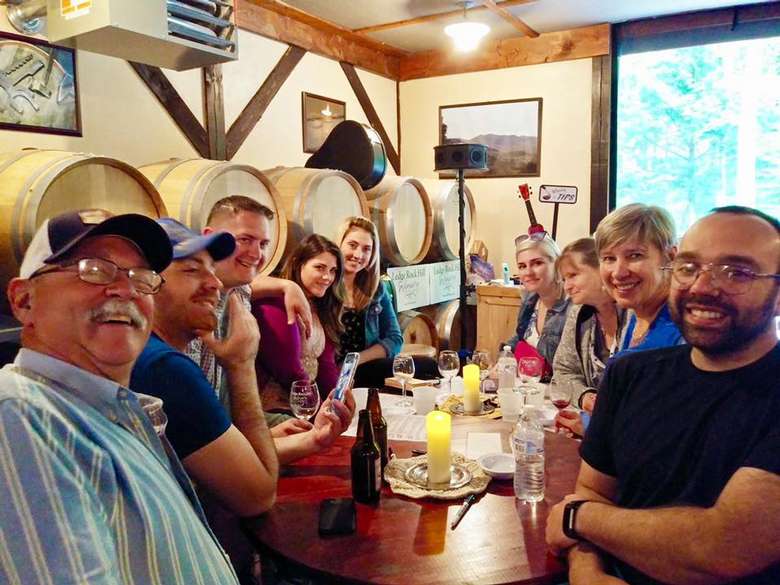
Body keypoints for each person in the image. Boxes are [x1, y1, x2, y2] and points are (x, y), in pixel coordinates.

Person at [1, 209, 239, 584]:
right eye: (93, 269)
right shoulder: (20, 417)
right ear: (24, 301)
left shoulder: (107, 409)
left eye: (142, 277)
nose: (126, 289)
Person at [546, 206, 780, 585]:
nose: (702, 287)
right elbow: (592, 490)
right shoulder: (628, 375)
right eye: (689, 268)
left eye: (737, 272)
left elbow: (724, 548)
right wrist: (587, 571)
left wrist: (577, 519)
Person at [131, 219, 354, 584]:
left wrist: (314, 439)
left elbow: (220, 461)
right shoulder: (165, 368)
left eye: (211, 270)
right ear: (145, 284)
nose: (214, 283)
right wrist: (241, 363)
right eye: (191, 270)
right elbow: (256, 493)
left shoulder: (159, 352)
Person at [187, 195, 311, 430]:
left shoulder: (239, 290)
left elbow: (249, 284)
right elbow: (194, 423)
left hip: (228, 421)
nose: (256, 254)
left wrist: (288, 285)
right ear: (208, 238)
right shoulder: (192, 308)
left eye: (263, 244)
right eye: (245, 239)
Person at [254, 234, 345, 411]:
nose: (328, 277)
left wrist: (336, 401)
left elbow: (326, 365)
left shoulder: (318, 306)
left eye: (333, 270)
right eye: (320, 268)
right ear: (298, 264)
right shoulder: (275, 303)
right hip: (275, 408)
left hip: (305, 405)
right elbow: (288, 370)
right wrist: (318, 410)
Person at [552, 238, 623, 437]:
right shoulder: (579, 314)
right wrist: (585, 397)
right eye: (564, 279)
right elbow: (563, 371)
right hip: (596, 431)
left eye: (573, 275)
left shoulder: (636, 316)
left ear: (602, 268)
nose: (567, 286)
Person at [595, 203, 683, 354]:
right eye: (609, 258)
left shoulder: (684, 332)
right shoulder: (637, 312)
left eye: (634, 256)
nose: (618, 273)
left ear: (670, 257)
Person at [334, 216, 404, 387]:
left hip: (363, 367)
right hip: (332, 373)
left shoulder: (376, 288)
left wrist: (355, 360)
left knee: (427, 366)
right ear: (339, 244)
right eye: (352, 245)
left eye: (367, 249)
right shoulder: (325, 284)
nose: (358, 254)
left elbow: (395, 339)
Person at [505, 234, 570, 377]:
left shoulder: (573, 307)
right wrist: (504, 358)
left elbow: (570, 368)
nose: (528, 272)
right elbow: (520, 337)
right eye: (522, 266)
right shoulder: (530, 300)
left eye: (537, 263)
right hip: (529, 386)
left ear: (557, 264)